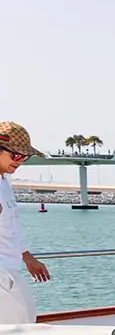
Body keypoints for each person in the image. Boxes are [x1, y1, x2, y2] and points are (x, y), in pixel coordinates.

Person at [0, 122, 52, 324]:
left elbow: (9, 229)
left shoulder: (4, 181)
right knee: (21, 331)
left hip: (9, 273)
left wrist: (27, 258)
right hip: (3, 276)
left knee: (25, 325)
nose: (20, 161)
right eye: (16, 155)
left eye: (25, 157)